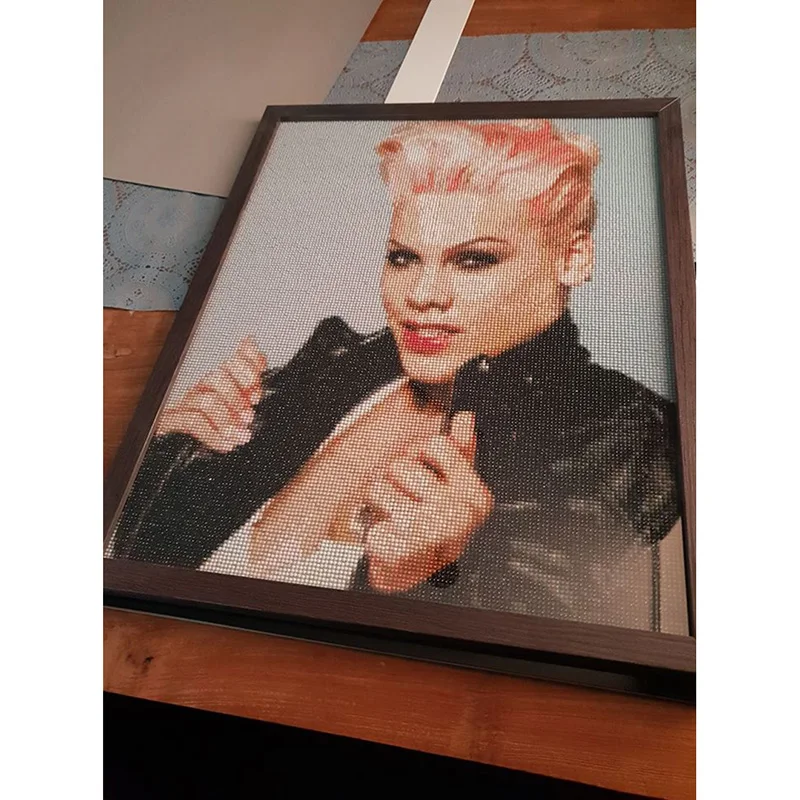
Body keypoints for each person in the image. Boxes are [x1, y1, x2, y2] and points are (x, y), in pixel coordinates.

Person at [111, 119, 682, 632]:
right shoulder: (344, 365)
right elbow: (152, 561)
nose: (421, 295)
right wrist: (167, 454)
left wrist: (420, 581)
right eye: (404, 257)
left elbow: (546, 640)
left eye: (475, 259)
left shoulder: (629, 430)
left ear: (574, 257)